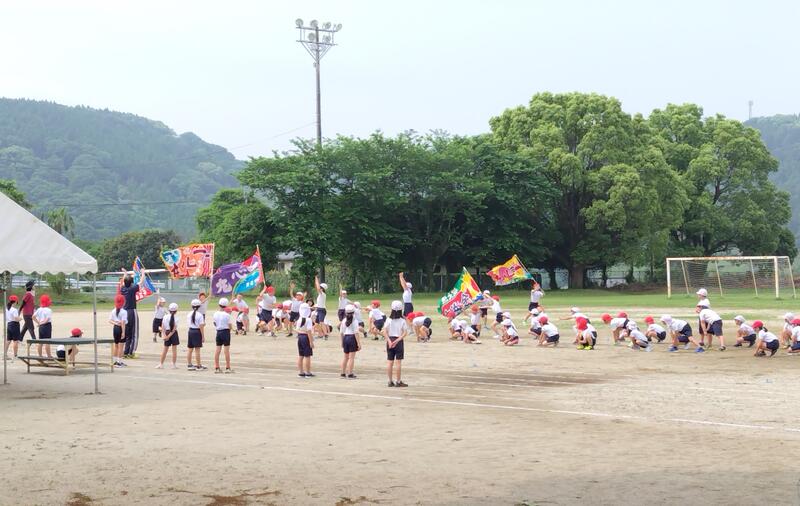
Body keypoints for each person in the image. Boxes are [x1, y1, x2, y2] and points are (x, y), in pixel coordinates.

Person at [383, 301, 408, 387]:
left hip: (390, 340)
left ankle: (390, 381)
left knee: (390, 362)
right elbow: (405, 333)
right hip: (398, 341)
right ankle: (398, 381)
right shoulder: (402, 320)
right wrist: (397, 340)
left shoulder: (388, 320)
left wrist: (389, 341)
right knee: (398, 362)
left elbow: (384, 332)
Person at [119, 274, 140, 359]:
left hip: (124, 312)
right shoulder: (132, 288)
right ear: (131, 282)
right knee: (134, 333)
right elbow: (141, 283)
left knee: (127, 334)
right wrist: (143, 274)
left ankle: (126, 352)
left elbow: (122, 282)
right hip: (132, 311)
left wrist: (125, 274)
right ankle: (131, 352)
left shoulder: (122, 288)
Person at [340, 304, 361, 378]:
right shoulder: (355, 321)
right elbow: (356, 333)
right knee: (351, 358)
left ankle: (343, 373)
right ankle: (350, 373)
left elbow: (341, 333)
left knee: (345, 357)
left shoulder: (343, 320)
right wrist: (358, 343)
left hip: (345, 338)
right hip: (352, 338)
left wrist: (342, 342)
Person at [213, 298, 233, 373]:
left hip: (218, 331)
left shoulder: (215, 314)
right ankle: (227, 367)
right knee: (226, 350)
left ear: (219, 305)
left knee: (218, 350)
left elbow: (214, 323)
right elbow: (230, 325)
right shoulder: (227, 315)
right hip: (225, 332)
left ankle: (217, 367)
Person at [157, 303, 180, 369]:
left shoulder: (165, 316)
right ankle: (174, 365)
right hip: (173, 334)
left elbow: (163, 327)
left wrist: (165, 335)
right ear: (176, 311)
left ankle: (161, 364)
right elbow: (173, 330)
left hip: (166, 333)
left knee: (165, 350)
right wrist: (168, 336)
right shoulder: (177, 318)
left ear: (169, 310)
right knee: (174, 350)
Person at [108, 294, 128, 368]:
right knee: (121, 347)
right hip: (121, 328)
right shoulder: (124, 311)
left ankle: (114, 361)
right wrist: (123, 332)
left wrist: (116, 323)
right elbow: (123, 322)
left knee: (116, 345)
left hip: (115, 328)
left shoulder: (113, 310)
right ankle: (119, 362)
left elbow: (110, 320)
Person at [187, 298, 206, 370]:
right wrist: (203, 336)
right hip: (197, 332)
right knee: (197, 350)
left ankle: (189, 364)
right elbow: (201, 327)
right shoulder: (200, 315)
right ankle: (198, 365)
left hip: (190, 331)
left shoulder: (189, 314)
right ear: (199, 306)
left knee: (190, 349)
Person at [296, 302, 315, 377]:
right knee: (307, 356)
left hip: (300, 337)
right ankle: (308, 372)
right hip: (306, 337)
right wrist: (311, 342)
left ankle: (301, 372)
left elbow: (297, 330)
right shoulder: (308, 320)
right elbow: (309, 331)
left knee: (301, 355)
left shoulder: (299, 319)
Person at [5, 295, 21, 359]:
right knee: (15, 341)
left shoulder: (7, 309)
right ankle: (15, 355)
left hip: (9, 324)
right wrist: (20, 318)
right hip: (14, 325)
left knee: (8, 340)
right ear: (16, 301)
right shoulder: (14, 310)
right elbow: (16, 318)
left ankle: (5, 354)